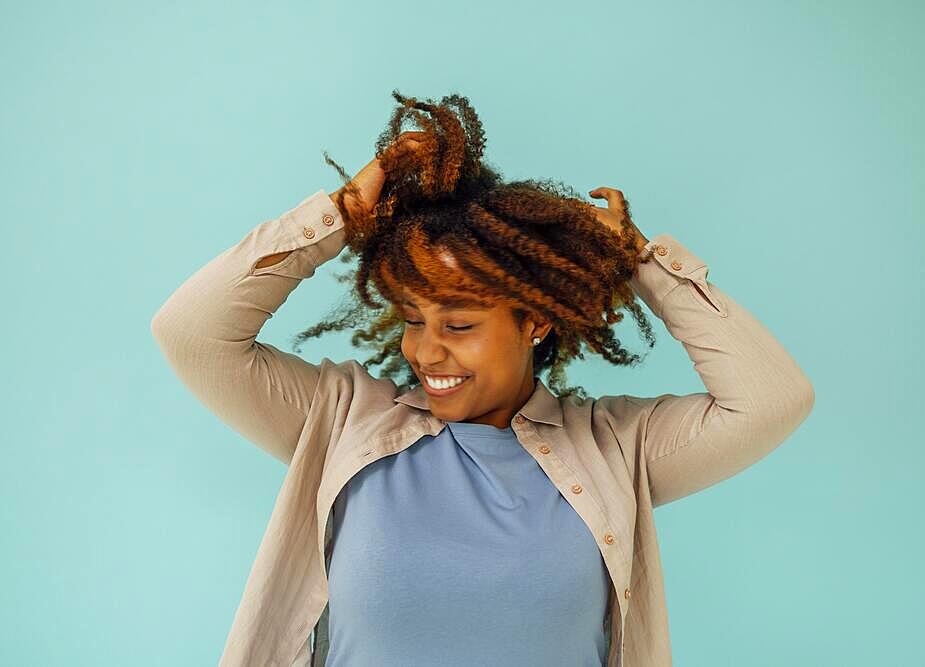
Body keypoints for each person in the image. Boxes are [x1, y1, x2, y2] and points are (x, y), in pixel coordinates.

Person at [150, 91, 815, 667]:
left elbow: (771, 399)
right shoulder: (340, 417)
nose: (426, 350)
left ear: (535, 321)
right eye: (414, 318)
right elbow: (191, 332)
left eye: (459, 325)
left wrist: (639, 261)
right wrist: (340, 215)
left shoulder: (619, 447)